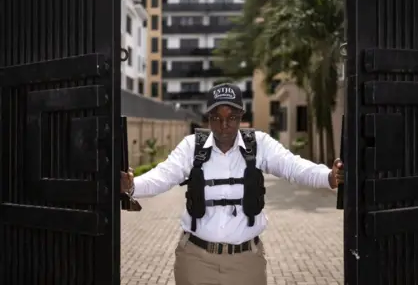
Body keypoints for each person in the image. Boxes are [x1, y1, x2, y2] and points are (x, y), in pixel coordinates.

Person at [121, 83, 344, 285]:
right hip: (196, 260)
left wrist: (328, 177)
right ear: (208, 118)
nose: (224, 125)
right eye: (217, 118)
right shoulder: (192, 147)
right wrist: (131, 186)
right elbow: (162, 176)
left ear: (241, 117)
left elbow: (294, 167)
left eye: (232, 117)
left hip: (246, 262)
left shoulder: (259, 144)